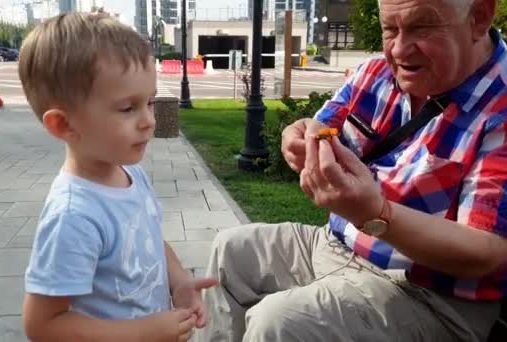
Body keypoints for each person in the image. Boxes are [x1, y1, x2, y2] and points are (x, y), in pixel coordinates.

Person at [197, 0, 507, 341]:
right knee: (231, 251)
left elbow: (486, 253)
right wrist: (297, 136)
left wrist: (375, 213)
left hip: (430, 294)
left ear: (478, 17)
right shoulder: (376, 73)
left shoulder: (499, 108)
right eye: (390, 28)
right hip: (336, 245)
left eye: (422, 27)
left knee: (279, 322)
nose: (400, 49)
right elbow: (318, 128)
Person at [18, 13, 217, 342]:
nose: (149, 121)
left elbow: (148, 238)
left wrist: (178, 280)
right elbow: (42, 325)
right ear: (64, 126)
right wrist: (142, 333)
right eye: (128, 108)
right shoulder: (74, 216)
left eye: (150, 103)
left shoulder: (131, 174)